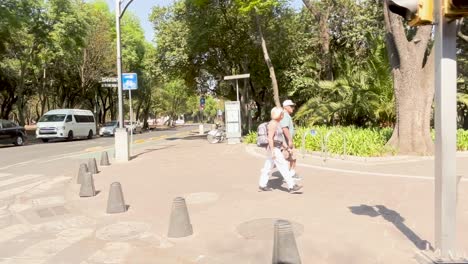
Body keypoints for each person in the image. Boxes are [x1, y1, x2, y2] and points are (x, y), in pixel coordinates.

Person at [258, 107, 302, 193]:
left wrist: (287, 148)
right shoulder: (273, 124)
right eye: (281, 114)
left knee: (268, 167)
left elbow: (279, 139)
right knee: (283, 166)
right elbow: (270, 138)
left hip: (275, 148)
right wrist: (273, 150)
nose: (283, 115)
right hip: (274, 148)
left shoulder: (278, 124)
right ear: (278, 115)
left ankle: (262, 184)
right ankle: (292, 185)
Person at [281, 100, 299, 178]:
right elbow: (285, 128)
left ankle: (291, 173)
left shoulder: (286, 115)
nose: (293, 108)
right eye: (291, 106)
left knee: (292, 158)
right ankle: (290, 175)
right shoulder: (285, 115)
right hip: (286, 142)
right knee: (288, 158)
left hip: (286, 142)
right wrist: (289, 140)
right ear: (286, 107)